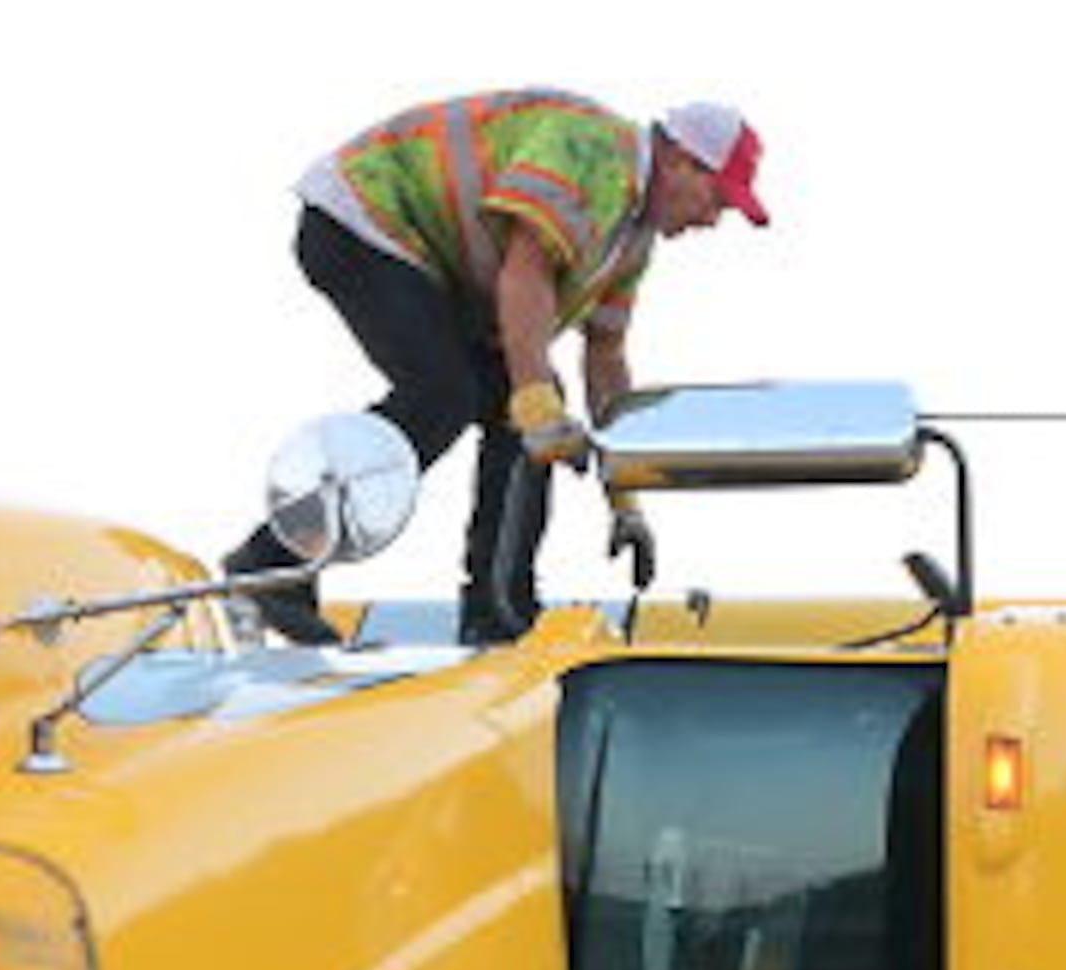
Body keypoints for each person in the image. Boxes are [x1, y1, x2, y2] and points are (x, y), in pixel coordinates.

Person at [226, 91, 769, 644]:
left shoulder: (630, 240)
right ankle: (270, 565)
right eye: (716, 199)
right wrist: (535, 402)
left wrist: (625, 493)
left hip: (428, 256)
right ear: (681, 161)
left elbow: (605, 357)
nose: (710, 219)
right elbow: (524, 272)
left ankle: (496, 610)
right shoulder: (597, 152)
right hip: (362, 220)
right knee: (448, 397)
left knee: (523, 405)